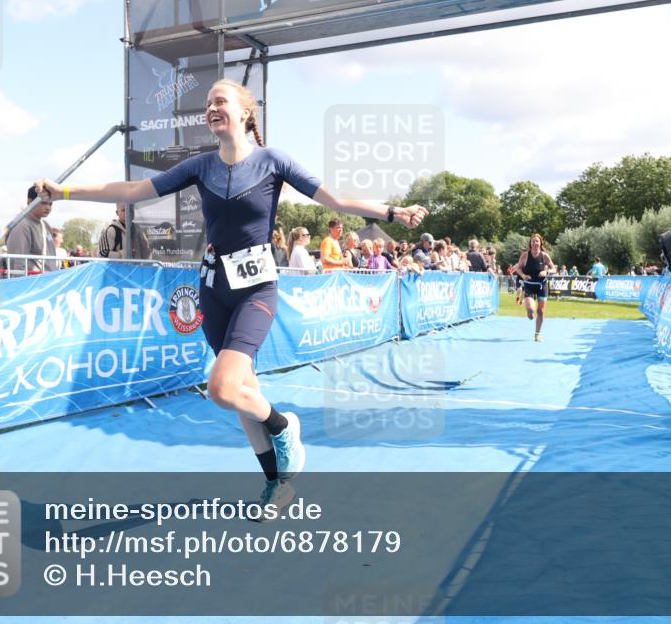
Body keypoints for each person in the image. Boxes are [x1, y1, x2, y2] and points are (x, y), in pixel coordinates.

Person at [33, 78, 428, 515]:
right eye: (207, 104)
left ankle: (283, 425)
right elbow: (131, 192)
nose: (211, 108)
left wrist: (393, 212)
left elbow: (334, 199)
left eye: (220, 101)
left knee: (222, 387)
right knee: (243, 392)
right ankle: (277, 483)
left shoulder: (272, 161)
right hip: (214, 289)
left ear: (245, 112)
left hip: (257, 287)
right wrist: (64, 192)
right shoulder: (201, 166)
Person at [7, 187, 59, 276]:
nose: (48, 207)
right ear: (30, 201)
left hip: (48, 281)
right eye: (43, 202)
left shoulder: (45, 225)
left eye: (50, 204)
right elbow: (18, 262)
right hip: (32, 284)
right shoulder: (22, 226)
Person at [515, 233, 556, 342]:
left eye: (537, 241)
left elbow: (554, 269)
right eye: (533, 241)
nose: (535, 243)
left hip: (542, 286)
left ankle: (537, 334)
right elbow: (517, 268)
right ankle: (529, 312)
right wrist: (523, 275)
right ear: (530, 244)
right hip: (529, 286)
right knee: (531, 309)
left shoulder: (545, 255)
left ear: (540, 243)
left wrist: (546, 271)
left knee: (541, 311)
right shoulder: (525, 255)